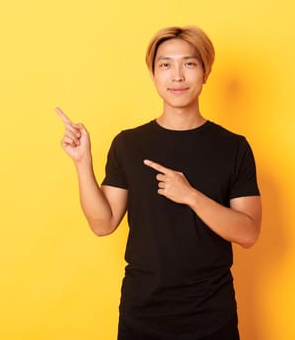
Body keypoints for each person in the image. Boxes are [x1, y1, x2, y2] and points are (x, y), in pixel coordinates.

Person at [55, 26, 262, 340]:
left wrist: (191, 195)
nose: (177, 75)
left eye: (189, 64)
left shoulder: (233, 147)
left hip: (212, 315)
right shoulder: (129, 144)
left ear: (205, 72)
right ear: (152, 75)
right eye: (165, 65)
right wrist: (83, 162)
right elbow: (103, 223)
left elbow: (248, 233)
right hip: (143, 313)